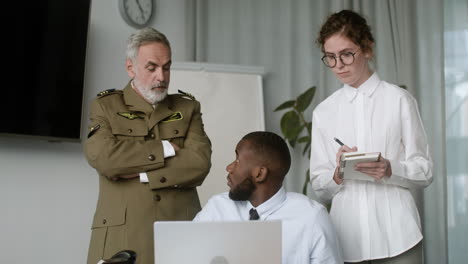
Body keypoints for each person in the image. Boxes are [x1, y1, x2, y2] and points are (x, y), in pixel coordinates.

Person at [310, 10, 433, 264]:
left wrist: (390, 168)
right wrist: (337, 173)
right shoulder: (323, 112)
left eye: (346, 54)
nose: (338, 65)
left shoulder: (399, 100)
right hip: (347, 240)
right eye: (330, 57)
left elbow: (425, 170)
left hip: (399, 237)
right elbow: (319, 186)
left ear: (367, 49)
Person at [84, 27, 212, 264]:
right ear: (130, 67)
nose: (161, 77)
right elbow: (106, 159)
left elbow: (199, 163)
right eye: (151, 68)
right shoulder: (106, 106)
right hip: (122, 237)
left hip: (179, 234)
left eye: (166, 67)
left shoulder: (187, 108)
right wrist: (166, 149)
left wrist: (140, 173)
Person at [194, 131, 343, 264]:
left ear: (260, 174)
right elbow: (188, 255)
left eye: (237, 161)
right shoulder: (216, 208)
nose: (229, 168)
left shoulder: (311, 218)